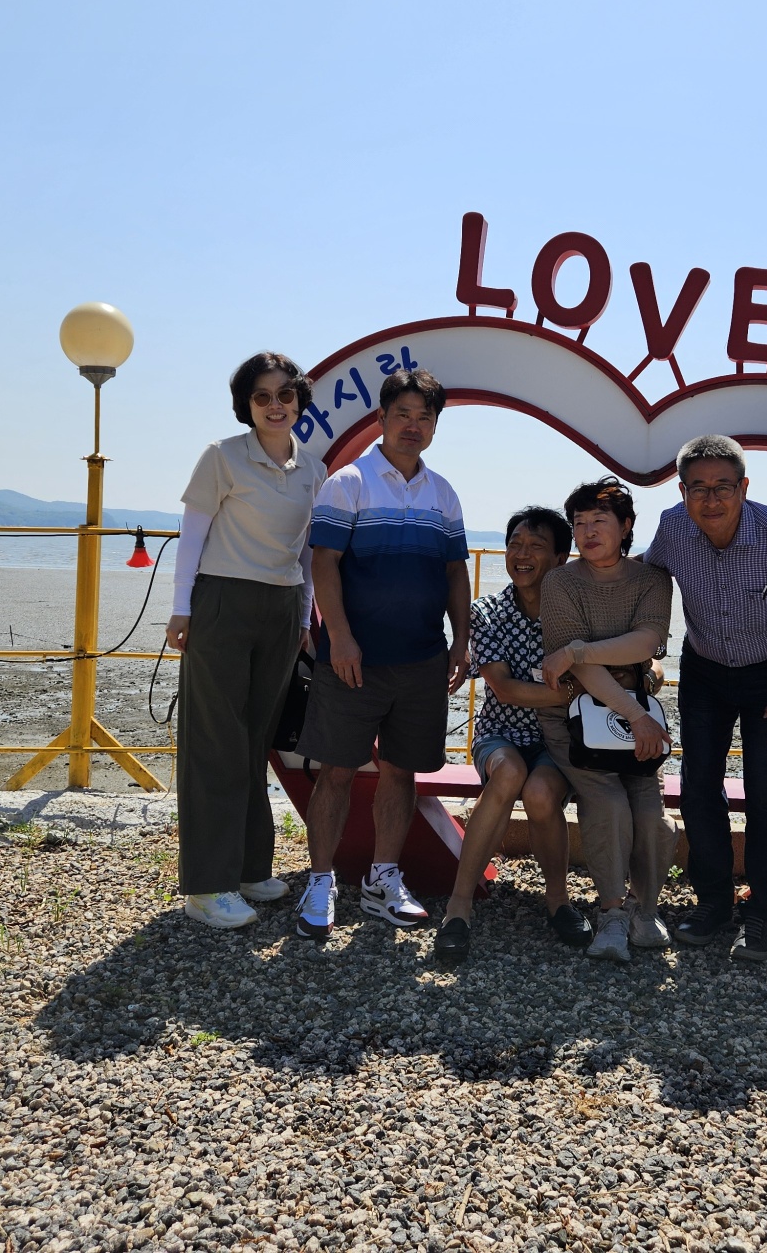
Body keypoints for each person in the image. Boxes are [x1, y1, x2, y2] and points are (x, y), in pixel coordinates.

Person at [292, 369, 470, 938]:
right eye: (403, 415)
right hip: (353, 660)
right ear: (381, 419)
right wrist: (340, 637)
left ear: (435, 426)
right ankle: (320, 881)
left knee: (400, 772)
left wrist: (461, 640)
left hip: (422, 659)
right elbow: (324, 563)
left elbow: (454, 572)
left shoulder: (443, 493)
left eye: (424, 417)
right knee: (336, 772)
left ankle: (382, 880)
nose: (413, 426)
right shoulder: (348, 482)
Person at [644, 435, 767, 962]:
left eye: (723, 486)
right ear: (682, 492)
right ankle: (714, 901)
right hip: (704, 668)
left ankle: (764, 910)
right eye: (698, 488)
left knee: (766, 790)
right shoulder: (673, 527)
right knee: (699, 785)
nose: (711, 499)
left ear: (744, 487)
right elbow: (646, 574)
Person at [167, 353, 325, 929]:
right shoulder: (222, 456)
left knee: (256, 740)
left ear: (299, 400)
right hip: (222, 602)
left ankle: (250, 868)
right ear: (247, 405)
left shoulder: (314, 470)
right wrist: (181, 608)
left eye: (285, 394)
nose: (275, 405)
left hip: (282, 608)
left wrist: (304, 616)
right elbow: (192, 535)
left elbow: (307, 552)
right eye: (262, 396)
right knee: (216, 742)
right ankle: (207, 887)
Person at [433, 507, 592, 962]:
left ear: (560, 559)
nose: (522, 554)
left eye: (536, 546)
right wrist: (572, 692)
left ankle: (558, 900)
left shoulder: (575, 614)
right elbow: (504, 688)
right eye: (515, 544)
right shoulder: (487, 612)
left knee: (541, 794)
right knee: (507, 773)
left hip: (556, 738)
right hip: (499, 732)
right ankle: (458, 907)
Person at [538, 478, 676, 963]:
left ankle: (644, 907)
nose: (588, 532)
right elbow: (582, 671)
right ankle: (612, 913)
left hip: (634, 720)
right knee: (608, 802)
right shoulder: (560, 582)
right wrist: (636, 712)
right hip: (574, 719)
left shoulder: (652, 579)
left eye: (600, 521)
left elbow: (646, 642)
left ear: (626, 526)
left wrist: (577, 649)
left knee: (651, 812)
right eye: (579, 523)